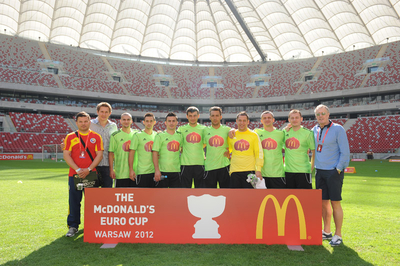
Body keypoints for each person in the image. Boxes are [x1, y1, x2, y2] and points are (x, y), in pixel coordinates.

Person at [313, 104, 350, 246]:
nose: (320, 116)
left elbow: (345, 152)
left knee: (335, 203)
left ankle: (338, 234)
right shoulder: (314, 129)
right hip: (319, 171)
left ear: (328, 114)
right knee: (323, 203)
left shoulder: (338, 129)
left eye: (322, 113)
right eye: (317, 114)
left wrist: (339, 169)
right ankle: (326, 231)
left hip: (333, 171)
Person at [63, 111, 103, 237]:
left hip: (91, 174)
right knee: (74, 201)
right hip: (75, 175)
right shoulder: (70, 137)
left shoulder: (96, 137)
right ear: (76, 123)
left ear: (89, 122)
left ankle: (92, 225)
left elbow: (99, 155)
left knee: (92, 202)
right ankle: (73, 226)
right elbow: (66, 155)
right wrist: (78, 170)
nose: (83, 124)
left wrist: (89, 169)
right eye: (80, 121)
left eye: (86, 121)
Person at [228, 111, 263, 188]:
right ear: (236, 121)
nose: (242, 123)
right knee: (235, 197)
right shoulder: (232, 135)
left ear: (248, 122)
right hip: (234, 171)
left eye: (244, 121)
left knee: (249, 197)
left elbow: (258, 153)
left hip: (249, 171)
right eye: (240, 120)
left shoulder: (253, 135)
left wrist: (258, 170)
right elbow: (228, 150)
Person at [254, 111, 286, 188]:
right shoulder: (256, 132)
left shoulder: (281, 133)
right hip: (262, 174)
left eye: (269, 118)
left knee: (279, 198)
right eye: (264, 118)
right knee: (261, 199)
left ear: (273, 120)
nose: (267, 119)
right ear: (261, 121)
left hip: (278, 173)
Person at [284, 109, 315, 189]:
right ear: (289, 119)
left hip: (303, 171)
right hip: (288, 171)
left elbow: (314, 152)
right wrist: (285, 129)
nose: (294, 120)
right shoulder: (284, 132)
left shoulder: (308, 133)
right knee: (289, 199)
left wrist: (311, 168)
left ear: (301, 119)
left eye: (297, 117)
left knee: (305, 199)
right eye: (292, 118)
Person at [177, 106, 206, 188]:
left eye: (194, 115)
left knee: (200, 191)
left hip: (200, 163)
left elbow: (205, 143)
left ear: (198, 116)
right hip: (186, 164)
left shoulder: (203, 129)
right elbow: (177, 142)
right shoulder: (181, 129)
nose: (192, 118)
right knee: (184, 191)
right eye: (190, 115)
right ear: (187, 116)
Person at [90, 102, 118, 187]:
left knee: (107, 194)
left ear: (110, 113)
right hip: (92, 164)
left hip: (107, 165)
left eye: (106, 112)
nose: (104, 114)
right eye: (102, 111)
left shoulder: (113, 126)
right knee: (92, 194)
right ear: (97, 112)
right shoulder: (90, 124)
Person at [152, 112, 183, 188]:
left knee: (175, 197)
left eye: (173, 121)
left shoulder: (180, 136)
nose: (171, 123)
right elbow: (155, 153)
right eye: (169, 121)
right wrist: (157, 170)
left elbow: (182, 149)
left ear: (177, 123)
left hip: (176, 171)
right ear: (165, 123)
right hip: (163, 172)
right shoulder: (159, 136)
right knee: (161, 197)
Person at [203, 106, 231, 188]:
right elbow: (201, 145)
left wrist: (230, 152)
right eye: (213, 115)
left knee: (226, 194)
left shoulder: (228, 130)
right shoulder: (205, 131)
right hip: (210, 167)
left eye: (217, 115)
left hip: (224, 166)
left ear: (220, 117)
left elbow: (234, 143)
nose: (215, 118)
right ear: (210, 117)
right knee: (210, 195)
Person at [108, 113, 139, 187]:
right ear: (120, 121)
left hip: (136, 172)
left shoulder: (137, 134)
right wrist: (111, 170)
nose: (126, 121)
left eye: (128, 119)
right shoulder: (115, 135)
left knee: (136, 197)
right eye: (124, 119)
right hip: (120, 172)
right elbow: (111, 153)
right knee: (121, 197)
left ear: (131, 121)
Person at [129, 113, 157, 187]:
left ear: (154, 122)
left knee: (154, 197)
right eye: (147, 121)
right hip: (142, 172)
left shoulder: (157, 135)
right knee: (142, 197)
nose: (149, 123)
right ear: (143, 122)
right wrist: (131, 170)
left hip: (154, 172)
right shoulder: (137, 135)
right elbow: (131, 153)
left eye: (151, 121)